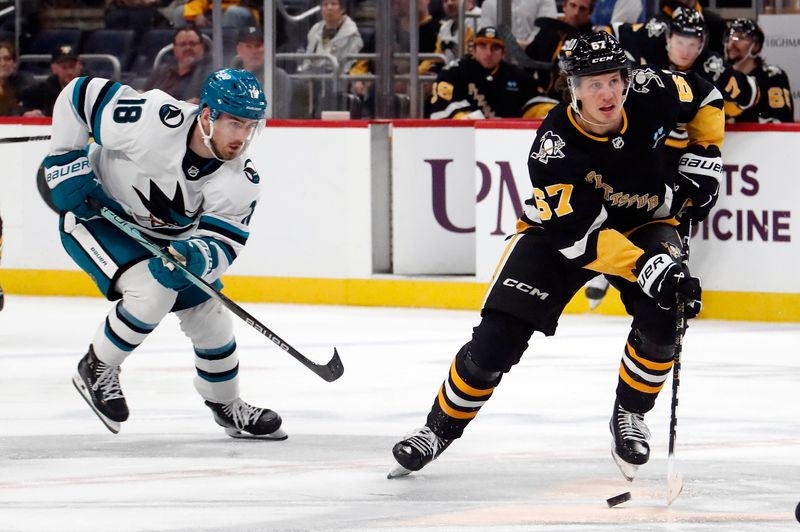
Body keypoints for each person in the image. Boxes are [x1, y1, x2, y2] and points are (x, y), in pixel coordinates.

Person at [389, 32, 723, 482]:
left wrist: (706, 155)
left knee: (664, 318)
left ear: (626, 79)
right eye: (592, 84)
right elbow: (579, 240)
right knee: (495, 342)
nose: (606, 93)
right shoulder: (554, 147)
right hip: (559, 235)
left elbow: (707, 95)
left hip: (643, 221)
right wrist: (651, 268)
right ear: (573, 88)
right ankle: (437, 430)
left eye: (612, 80)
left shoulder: (651, 88)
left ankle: (629, 415)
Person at [43, 68, 285, 439]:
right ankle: (97, 367)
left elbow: (225, 241)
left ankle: (225, 404)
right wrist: (64, 160)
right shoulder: (153, 119)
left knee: (211, 316)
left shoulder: (240, 179)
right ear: (207, 115)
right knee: (152, 293)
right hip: (97, 217)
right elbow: (80, 95)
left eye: (251, 126)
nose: (243, 137)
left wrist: (197, 256)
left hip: (162, 241)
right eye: (234, 124)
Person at [429, 27, 540, 119]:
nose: (488, 53)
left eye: (495, 48)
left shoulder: (518, 75)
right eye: (483, 46)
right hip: (465, 137)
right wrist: (466, 119)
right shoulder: (454, 71)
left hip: (507, 138)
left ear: (503, 53)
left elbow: (537, 103)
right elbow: (442, 104)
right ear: (474, 50)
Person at [523, 0, 595, 117]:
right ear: (564, 7)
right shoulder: (547, 31)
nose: (576, 12)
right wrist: (534, 87)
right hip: (540, 100)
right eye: (573, 5)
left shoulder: (592, 40)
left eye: (582, 9)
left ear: (589, 13)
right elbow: (527, 64)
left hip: (574, 106)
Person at [724, 18, 794, 123]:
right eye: (731, 37)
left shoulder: (772, 76)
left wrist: (736, 121)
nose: (732, 42)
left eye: (740, 38)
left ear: (756, 46)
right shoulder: (719, 76)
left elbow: (780, 121)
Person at [233, 25, 293, 118]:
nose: (254, 51)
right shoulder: (227, 78)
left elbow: (280, 115)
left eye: (258, 46)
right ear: (239, 50)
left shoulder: (278, 77)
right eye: (249, 46)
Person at [143, 26, 211, 103]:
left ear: (202, 47)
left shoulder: (211, 73)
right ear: (175, 49)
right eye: (183, 44)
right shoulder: (161, 71)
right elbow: (144, 94)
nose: (188, 48)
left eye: (193, 44)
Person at [20, 45, 84, 117]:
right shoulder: (43, 90)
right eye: (64, 67)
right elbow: (21, 108)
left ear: (80, 66)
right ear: (54, 68)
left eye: (72, 66)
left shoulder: (89, 89)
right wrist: (27, 114)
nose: (69, 72)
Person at [302, 0, 363, 74]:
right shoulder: (315, 30)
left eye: (333, 4)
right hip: (313, 77)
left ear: (342, 9)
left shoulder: (352, 33)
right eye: (325, 4)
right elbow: (307, 61)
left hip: (337, 78)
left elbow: (348, 66)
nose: (329, 8)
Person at [478, 0, 558, 46]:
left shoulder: (545, 0)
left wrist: (528, 46)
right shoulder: (489, 3)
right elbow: (488, 34)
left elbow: (548, 26)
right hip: (499, 58)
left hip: (536, 58)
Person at [0, 41, 35, 116]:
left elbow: (27, 109)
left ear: (14, 63)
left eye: (7, 59)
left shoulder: (24, 85)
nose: (3, 63)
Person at [182, 0, 258, 28]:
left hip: (244, 11)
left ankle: (227, 51)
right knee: (182, 11)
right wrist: (198, 13)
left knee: (232, 12)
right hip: (214, 14)